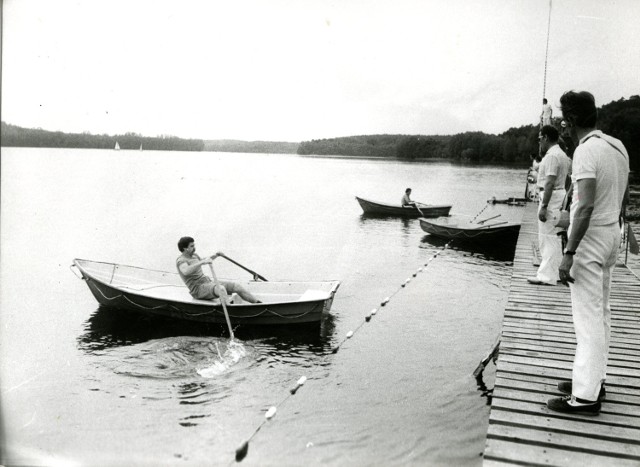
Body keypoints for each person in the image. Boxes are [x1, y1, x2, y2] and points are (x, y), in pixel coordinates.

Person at [547, 91, 630, 415]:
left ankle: (584, 397)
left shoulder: (585, 151)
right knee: (602, 314)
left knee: (588, 320)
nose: (562, 127)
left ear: (574, 121)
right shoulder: (617, 146)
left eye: (564, 120)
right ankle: (594, 379)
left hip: (590, 240)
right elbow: (622, 194)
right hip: (612, 234)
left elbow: (584, 208)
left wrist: (569, 252)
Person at [527, 125, 572, 285]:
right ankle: (555, 273)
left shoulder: (552, 156)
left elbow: (550, 182)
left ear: (546, 137)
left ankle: (546, 276)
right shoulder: (562, 154)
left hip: (551, 197)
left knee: (547, 237)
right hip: (557, 195)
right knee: (553, 236)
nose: (539, 142)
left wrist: (544, 205)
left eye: (540, 138)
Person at [176, 236, 261, 303]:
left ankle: (257, 304)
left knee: (236, 286)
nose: (194, 248)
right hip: (198, 289)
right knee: (221, 289)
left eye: (194, 245)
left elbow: (204, 260)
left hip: (207, 282)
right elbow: (186, 271)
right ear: (184, 248)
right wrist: (202, 262)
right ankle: (230, 313)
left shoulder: (194, 255)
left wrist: (216, 255)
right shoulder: (181, 260)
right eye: (192, 246)